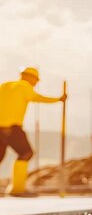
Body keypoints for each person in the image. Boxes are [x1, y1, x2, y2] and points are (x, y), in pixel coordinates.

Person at [0, 67, 66, 196]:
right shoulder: (25, 87)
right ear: (30, 78)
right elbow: (38, 98)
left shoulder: (4, 86)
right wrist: (59, 99)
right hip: (11, 127)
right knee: (26, 153)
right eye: (35, 80)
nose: (36, 83)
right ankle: (17, 189)